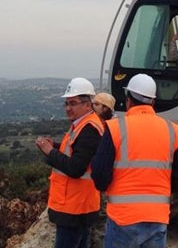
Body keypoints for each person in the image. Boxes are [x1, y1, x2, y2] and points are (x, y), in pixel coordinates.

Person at [91, 73, 178, 248]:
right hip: (157, 217)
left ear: (128, 99)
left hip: (123, 218)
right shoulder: (172, 130)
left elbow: (100, 174)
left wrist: (110, 188)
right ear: (153, 102)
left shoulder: (116, 128)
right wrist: (163, 189)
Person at [35, 77, 104, 248]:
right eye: (66, 104)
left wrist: (50, 152)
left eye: (72, 103)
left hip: (75, 207)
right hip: (77, 205)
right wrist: (56, 146)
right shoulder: (83, 125)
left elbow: (75, 168)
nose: (68, 108)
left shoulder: (89, 129)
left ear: (87, 104)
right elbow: (76, 151)